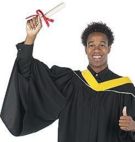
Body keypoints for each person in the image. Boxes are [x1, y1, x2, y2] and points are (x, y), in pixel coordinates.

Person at [1, 16, 135, 142]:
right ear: (86, 49)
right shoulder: (69, 82)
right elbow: (27, 70)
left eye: (102, 45)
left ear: (109, 48)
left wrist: (133, 126)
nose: (97, 50)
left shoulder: (125, 89)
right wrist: (31, 37)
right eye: (91, 45)